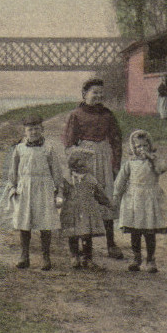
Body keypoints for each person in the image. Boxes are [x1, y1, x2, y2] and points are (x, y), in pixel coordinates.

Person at [62, 78, 125, 259]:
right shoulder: (76, 115)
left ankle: (110, 243)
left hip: (104, 158)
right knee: (85, 199)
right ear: (85, 94)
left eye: (100, 93)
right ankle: (85, 245)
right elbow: (69, 143)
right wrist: (76, 164)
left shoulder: (108, 115)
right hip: (85, 161)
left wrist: (115, 165)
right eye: (94, 92)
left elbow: (116, 141)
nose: (98, 96)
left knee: (105, 197)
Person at [0, 115, 62, 270]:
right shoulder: (19, 148)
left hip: (44, 188)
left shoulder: (49, 148)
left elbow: (56, 171)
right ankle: (24, 255)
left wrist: (58, 191)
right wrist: (13, 186)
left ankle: (46, 257)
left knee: (45, 222)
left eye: (37, 129)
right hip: (25, 188)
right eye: (30, 129)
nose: (34, 132)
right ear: (24, 132)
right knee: (24, 222)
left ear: (42, 130)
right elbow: (13, 171)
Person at [112, 129, 167, 273]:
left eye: (145, 146)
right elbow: (120, 180)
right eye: (138, 147)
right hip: (134, 200)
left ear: (149, 145)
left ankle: (150, 259)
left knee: (149, 232)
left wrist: (152, 158)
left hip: (149, 199)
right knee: (135, 232)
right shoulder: (130, 163)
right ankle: (136, 257)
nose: (142, 149)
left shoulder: (154, 160)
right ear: (134, 148)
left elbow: (162, 169)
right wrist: (116, 196)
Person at [59, 149, 112, 269]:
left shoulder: (91, 179)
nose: (90, 165)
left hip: (87, 211)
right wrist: (59, 198)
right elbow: (61, 191)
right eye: (87, 162)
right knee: (72, 234)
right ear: (77, 163)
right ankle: (74, 256)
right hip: (71, 210)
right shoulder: (67, 179)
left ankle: (87, 258)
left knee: (86, 235)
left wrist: (108, 203)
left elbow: (99, 193)